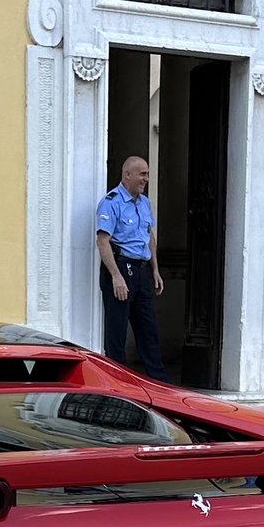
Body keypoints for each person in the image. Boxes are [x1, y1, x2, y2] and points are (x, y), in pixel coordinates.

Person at [95, 156, 166, 380]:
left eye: (147, 173)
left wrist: (155, 269)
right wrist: (116, 276)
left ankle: (159, 383)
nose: (146, 179)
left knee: (148, 330)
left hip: (141, 270)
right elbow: (103, 241)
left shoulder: (144, 202)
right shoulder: (111, 202)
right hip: (120, 268)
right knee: (117, 333)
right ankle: (117, 384)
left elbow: (149, 235)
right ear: (128, 175)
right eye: (142, 174)